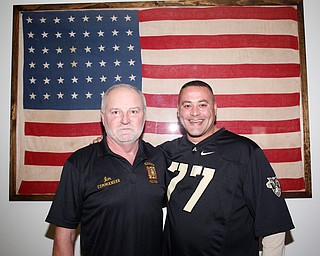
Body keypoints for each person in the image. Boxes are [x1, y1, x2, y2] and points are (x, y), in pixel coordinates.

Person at [160, 80, 295, 256]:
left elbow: (273, 224)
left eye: (202, 104)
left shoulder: (245, 152)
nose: (194, 112)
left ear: (215, 109)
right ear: (178, 112)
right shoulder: (165, 153)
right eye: (187, 105)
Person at [45, 84, 167, 256]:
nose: (125, 120)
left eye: (133, 111)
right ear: (103, 118)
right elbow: (65, 235)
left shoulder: (159, 159)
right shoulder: (78, 164)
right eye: (115, 112)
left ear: (144, 116)